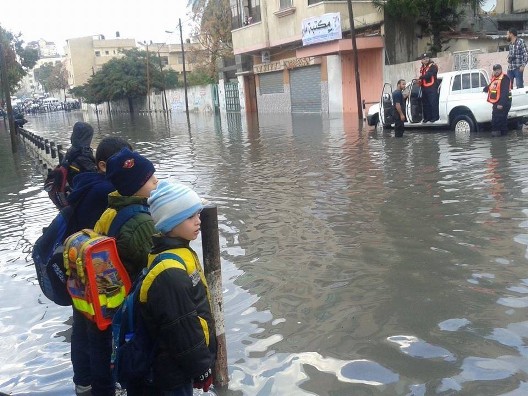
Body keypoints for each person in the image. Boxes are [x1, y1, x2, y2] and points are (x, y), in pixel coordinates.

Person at [125, 181, 217, 395]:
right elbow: (182, 328)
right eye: (190, 217)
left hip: (174, 365)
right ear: (170, 223)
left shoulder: (172, 253)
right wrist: (202, 368)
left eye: (198, 214)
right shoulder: (170, 274)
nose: (198, 221)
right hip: (171, 372)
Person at [67, 137, 133, 396]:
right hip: (96, 277)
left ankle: (83, 382)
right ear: (104, 165)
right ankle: (104, 388)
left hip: (79, 272)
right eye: (125, 162)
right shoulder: (106, 192)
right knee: (100, 337)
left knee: (82, 330)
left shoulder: (85, 183)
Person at [63, 121, 98, 185]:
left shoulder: (72, 150)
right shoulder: (82, 154)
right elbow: (95, 173)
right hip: (82, 187)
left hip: (74, 184)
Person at [483, 64, 512, 137]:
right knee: (496, 120)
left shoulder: (505, 78)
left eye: (498, 69)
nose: (496, 71)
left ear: (501, 70)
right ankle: (498, 140)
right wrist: (484, 89)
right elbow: (490, 87)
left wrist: (501, 104)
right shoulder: (495, 78)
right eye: (495, 70)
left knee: (501, 121)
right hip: (496, 102)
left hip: (504, 103)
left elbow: (504, 92)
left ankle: (501, 140)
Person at [418, 53, 439, 123]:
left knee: (432, 103)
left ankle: (434, 118)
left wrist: (421, 77)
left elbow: (429, 74)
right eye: (424, 59)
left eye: (427, 58)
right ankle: (427, 118)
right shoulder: (422, 67)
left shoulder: (433, 66)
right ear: (421, 60)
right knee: (425, 104)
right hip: (424, 88)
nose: (426, 60)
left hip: (432, 88)